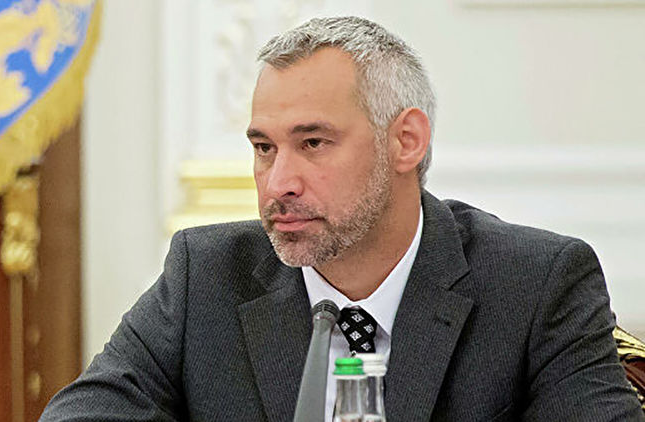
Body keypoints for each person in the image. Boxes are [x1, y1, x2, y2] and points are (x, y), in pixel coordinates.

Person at [40, 16, 645, 421]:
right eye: (264, 148)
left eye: (314, 143)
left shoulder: (536, 284)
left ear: (405, 141)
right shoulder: (207, 276)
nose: (278, 182)